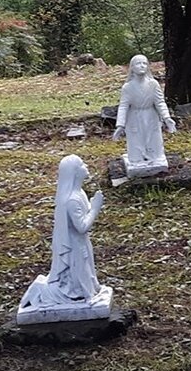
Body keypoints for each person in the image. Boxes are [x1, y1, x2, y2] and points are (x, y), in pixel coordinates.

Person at [20, 154, 105, 307]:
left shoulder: (80, 193)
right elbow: (82, 227)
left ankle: (89, 291)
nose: (86, 166)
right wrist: (95, 209)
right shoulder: (72, 200)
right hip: (74, 244)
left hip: (82, 241)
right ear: (75, 172)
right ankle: (43, 290)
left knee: (86, 269)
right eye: (82, 164)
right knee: (80, 269)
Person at [112, 54, 176, 174]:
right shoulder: (128, 87)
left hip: (151, 116)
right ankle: (137, 159)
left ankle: (156, 157)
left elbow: (160, 102)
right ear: (132, 67)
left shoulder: (153, 84)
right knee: (136, 140)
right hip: (134, 117)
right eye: (138, 63)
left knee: (154, 138)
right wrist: (120, 125)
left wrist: (167, 118)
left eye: (144, 63)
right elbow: (124, 106)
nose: (142, 66)